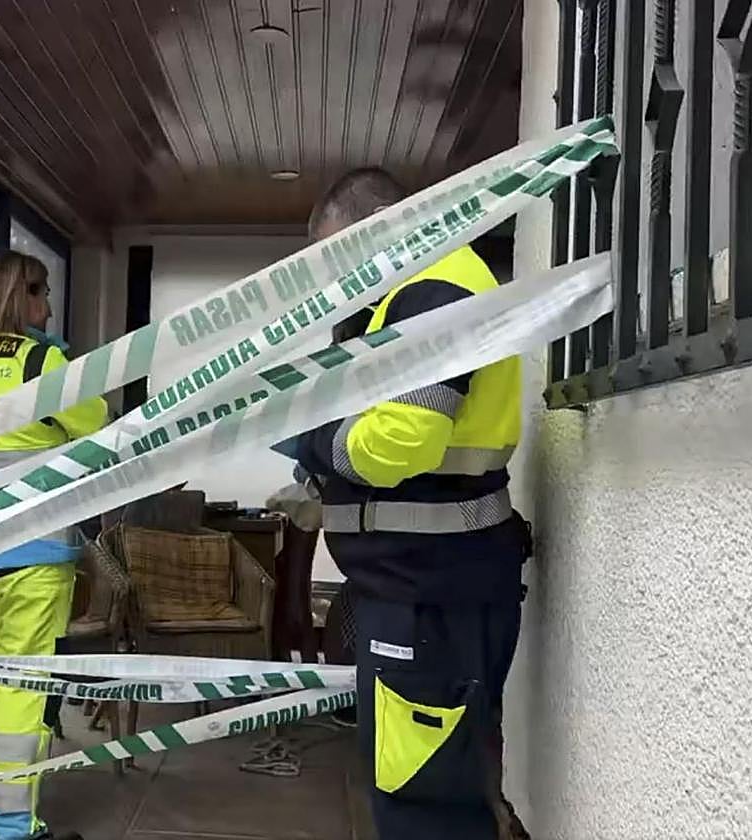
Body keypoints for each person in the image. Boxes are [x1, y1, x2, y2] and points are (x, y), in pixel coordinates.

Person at [290, 168, 532, 840]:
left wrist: (314, 440)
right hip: (425, 588)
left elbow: (402, 440)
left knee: (421, 804)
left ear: (379, 227)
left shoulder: (434, 288)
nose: (335, 282)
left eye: (337, 257)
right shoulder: (407, 297)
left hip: (432, 594)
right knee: (423, 788)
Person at [0, 250, 107, 840]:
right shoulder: (42, 361)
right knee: (23, 686)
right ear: (21, 297)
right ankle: (12, 826)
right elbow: (101, 425)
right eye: (42, 292)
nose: (49, 307)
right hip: (32, 555)